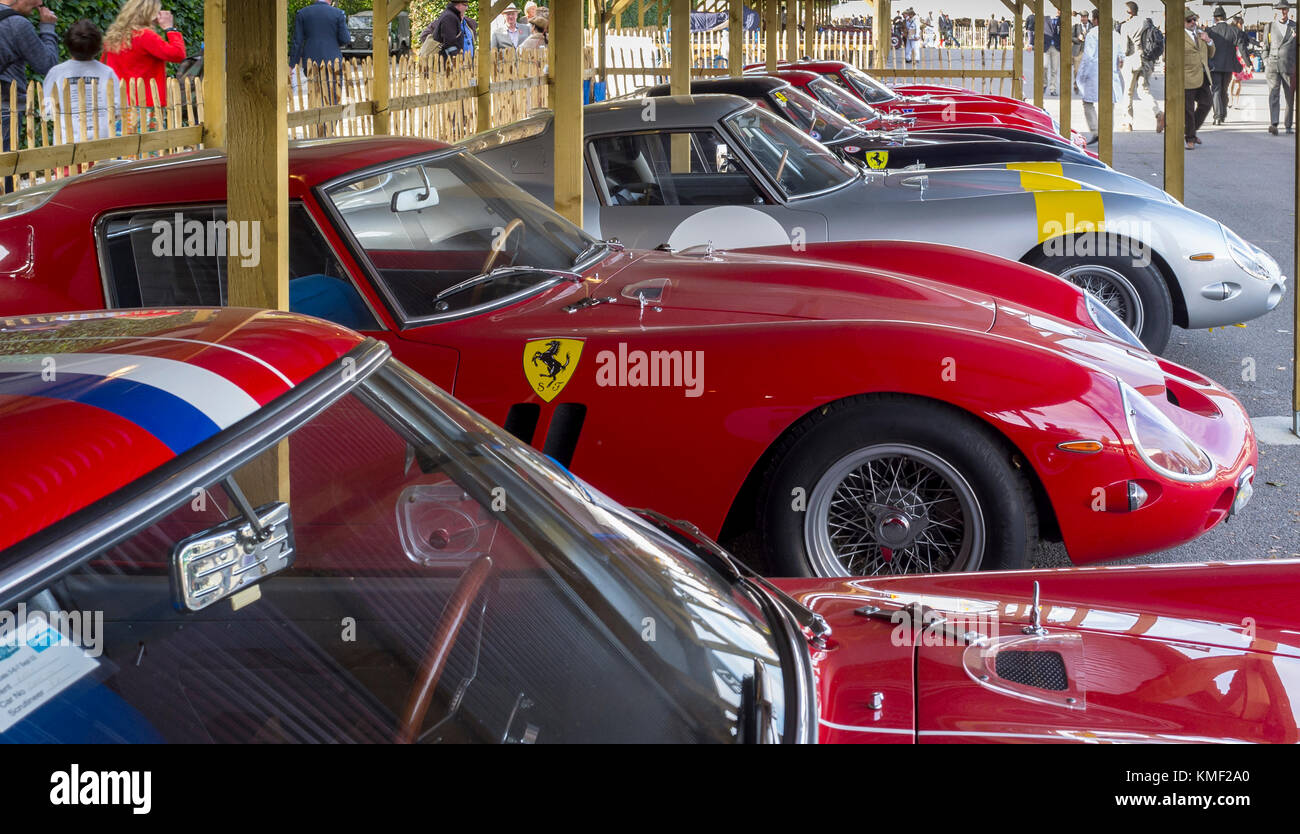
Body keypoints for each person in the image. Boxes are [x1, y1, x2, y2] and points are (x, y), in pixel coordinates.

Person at [42, 18, 120, 142]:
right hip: (102, 141)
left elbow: (48, 112)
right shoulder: (107, 72)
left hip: (67, 142)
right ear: (98, 46)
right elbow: (117, 108)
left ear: (68, 44)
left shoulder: (56, 73)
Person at [0, 0, 58, 157]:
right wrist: (47, 27)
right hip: (6, 109)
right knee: (6, 169)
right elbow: (48, 65)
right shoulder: (17, 24)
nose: (39, 2)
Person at [103, 0, 185, 107]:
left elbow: (104, 66)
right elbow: (178, 54)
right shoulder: (145, 36)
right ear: (151, 14)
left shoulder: (113, 37)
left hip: (118, 103)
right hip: (144, 104)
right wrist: (170, 28)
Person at [1077, 9, 1120, 146]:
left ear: (1095, 20)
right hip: (1111, 73)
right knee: (1109, 104)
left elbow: (1088, 56)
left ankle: (1096, 131)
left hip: (1094, 72)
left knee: (1087, 103)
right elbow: (1121, 55)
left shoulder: (1093, 33)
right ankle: (1107, 133)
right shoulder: (1115, 34)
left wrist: (1081, 75)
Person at [1262, 0, 1296, 134]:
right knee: (1273, 95)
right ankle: (1274, 123)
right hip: (1273, 65)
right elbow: (1265, 46)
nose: (1283, 12)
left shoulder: (1295, 26)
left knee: (1289, 97)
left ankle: (1288, 125)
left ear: (1288, 11)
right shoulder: (1269, 27)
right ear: (1275, 12)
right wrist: (1265, 61)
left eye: (1285, 9)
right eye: (1280, 9)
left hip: (1289, 66)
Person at [1182, 10, 1214, 149]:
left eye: (1194, 19)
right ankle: (1190, 138)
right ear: (1183, 22)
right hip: (1187, 77)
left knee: (1206, 104)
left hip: (1203, 76)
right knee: (1188, 110)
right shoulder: (1178, 36)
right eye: (1189, 20)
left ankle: (1191, 131)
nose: (1193, 22)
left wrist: (1209, 41)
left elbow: (1212, 53)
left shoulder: (1201, 34)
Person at [1205, 6, 1241, 125]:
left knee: (1216, 89)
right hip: (1228, 66)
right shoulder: (1233, 30)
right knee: (1224, 90)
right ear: (1225, 18)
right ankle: (1223, 114)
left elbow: (1206, 49)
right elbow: (1240, 46)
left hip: (1214, 65)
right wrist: (1246, 63)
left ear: (1215, 18)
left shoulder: (1210, 31)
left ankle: (1217, 116)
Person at [289, 0, 349, 69]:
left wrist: (292, 64)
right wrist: (333, 43)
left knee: (312, 80)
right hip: (333, 60)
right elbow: (345, 39)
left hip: (310, 61)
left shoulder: (302, 13)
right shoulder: (338, 13)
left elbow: (297, 42)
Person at [1230, 14, 1256, 107]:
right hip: (1232, 59)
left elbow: (1250, 39)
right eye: (1241, 23)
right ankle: (1231, 100)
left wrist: (1259, 43)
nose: (1242, 25)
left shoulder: (1242, 33)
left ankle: (1236, 101)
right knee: (1232, 80)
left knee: (1238, 81)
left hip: (1240, 59)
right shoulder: (1230, 31)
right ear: (1236, 23)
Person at [1043, 13, 1061, 96]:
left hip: (1056, 47)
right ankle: (1044, 84)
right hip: (1046, 46)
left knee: (1054, 69)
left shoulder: (1062, 19)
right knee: (1044, 66)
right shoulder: (1045, 18)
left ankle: (1052, 88)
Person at [1071, 10, 1089, 89]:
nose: (1083, 19)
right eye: (1082, 17)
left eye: (1084, 17)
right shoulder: (1076, 26)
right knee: (1076, 70)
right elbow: (1071, 37)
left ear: (1087, 18)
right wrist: (1078, 39)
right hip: (1078, 50)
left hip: (1088, 51)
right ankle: (1076, 81)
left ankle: (1084, 84)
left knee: (1087, 69)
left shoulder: (1092, 27)